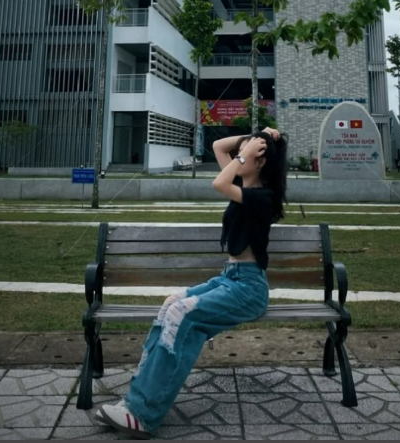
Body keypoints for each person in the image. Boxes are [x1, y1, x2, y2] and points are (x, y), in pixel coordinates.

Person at [95, 127, 289, 439]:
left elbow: (218, 182)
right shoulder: (243, 185)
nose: (239, 156)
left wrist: (247, 152)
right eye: (242, 151)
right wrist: (256, 136)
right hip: (230, 278)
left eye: (247, 153)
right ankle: (134, 401)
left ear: (260, 161)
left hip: (249, 288)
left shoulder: (262, 197)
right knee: (170, 305)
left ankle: (143, 414)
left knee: (181, 315)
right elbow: (219, 145)